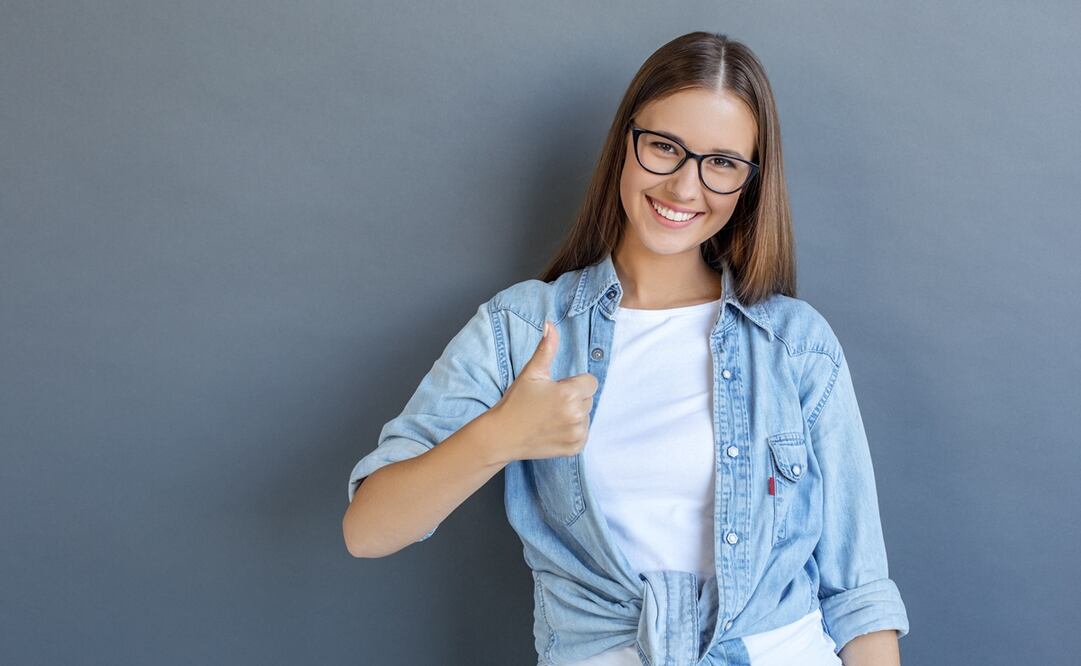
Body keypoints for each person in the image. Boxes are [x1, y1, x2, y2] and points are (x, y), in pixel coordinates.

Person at [343, 31, 909, 666]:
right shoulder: (524, 329)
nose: (685, 187)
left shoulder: (796, 345)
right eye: (665, 147)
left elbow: (859, 595)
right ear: (625, 144)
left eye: (721, 163)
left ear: (750, 182)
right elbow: (368, 530)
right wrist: (502, 435)